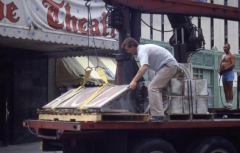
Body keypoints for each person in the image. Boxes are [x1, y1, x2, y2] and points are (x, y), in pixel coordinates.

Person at [122, 37, 179, 122]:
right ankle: (159, 113)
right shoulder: (143, 49)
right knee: (156, 88)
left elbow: (144, 67)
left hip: (169, 66)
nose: (128, 52)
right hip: (167, 66)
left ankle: (158, 116)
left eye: (128, 49)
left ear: (133, 46)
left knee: (153, 88)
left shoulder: (142, 51)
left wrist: (134, 80)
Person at [218, 43, 236, 110]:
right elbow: (220, 64)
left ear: (229, 48)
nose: (224, 49)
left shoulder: (232, 55)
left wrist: (225, 69)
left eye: (226, 47)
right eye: (224, 47)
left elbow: (233, 64)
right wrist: (219, 70)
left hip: (229, 73)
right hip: (224, 74)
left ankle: (230, 104)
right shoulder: (223, 56)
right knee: (225, 89)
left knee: (229, 89)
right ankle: (227, 103)